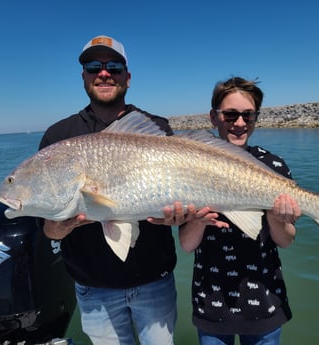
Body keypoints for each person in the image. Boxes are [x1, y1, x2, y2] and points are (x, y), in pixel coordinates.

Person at [39, 35, 185, 345]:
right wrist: (60, 226)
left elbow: (182, 195)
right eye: (94, 66)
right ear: (84, 77)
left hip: (155, 283)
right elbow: (48, 231)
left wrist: (182, 217)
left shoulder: (156, 128)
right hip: (94, 290)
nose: (104, 73)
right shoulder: (58, 136)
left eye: (114, 67)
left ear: (127, 78)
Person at [178, 77, 301, 345]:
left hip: (265, 302)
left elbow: (286, 240)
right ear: (213, 117)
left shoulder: (274, 166)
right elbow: (187, 245)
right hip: (211, 302)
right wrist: (198, 221)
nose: (240, 123)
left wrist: (276, 216)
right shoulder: (190, 166)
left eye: (248, 115)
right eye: (230, 115)